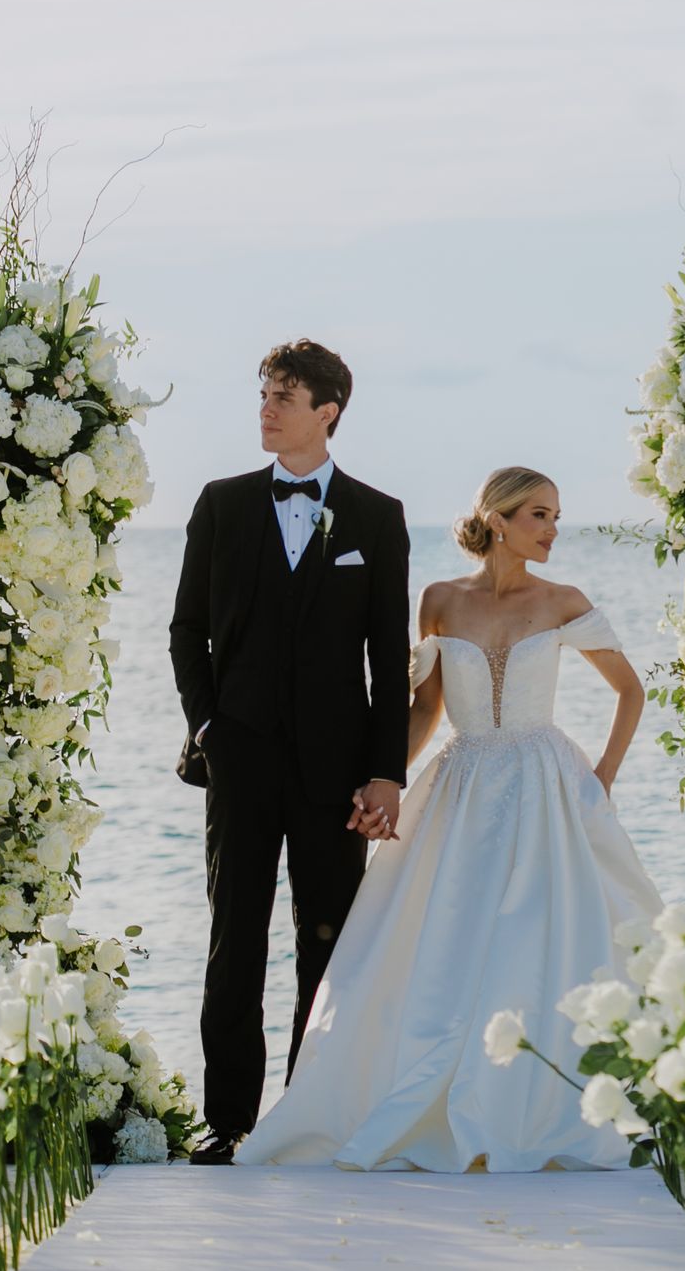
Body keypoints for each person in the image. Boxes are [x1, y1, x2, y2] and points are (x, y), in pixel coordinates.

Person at [234, 466, 666, 1171]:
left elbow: (629, 690)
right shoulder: (439, 600)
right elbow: (428, 709)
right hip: (462, 783)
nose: (553, 530)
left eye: (556, 516)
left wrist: (604, 776)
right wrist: (382, 782)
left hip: (545, 784)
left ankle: (536, 1103)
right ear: (497, 519)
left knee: (539, 935)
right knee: (443, 937)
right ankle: (429, 1094)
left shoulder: (564, 601)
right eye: (539, 515)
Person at [167, 339, 412, 1165]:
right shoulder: (221, 504)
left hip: (335, 772)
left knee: (328, 939)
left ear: (327, 412)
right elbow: (185, 631)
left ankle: (309, 1109)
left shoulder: (378, 517)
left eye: (284, 396)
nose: (266, 409)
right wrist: (207, 729)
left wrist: (387, 773)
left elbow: (389, 657)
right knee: (235, 939)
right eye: (264, 394)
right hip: (236, 764)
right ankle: (227, 1117)